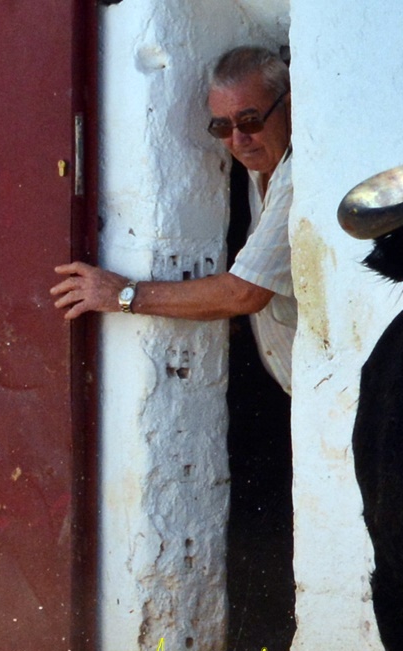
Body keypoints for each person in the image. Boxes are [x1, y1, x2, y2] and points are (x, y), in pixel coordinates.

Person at [51, 46, 296, 394]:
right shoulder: (260, 167)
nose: (238, 140)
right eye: (222, 127)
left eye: (250, 121)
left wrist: (121, 294)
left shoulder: (297, 177)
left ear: (289, 107)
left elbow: (243, 293)